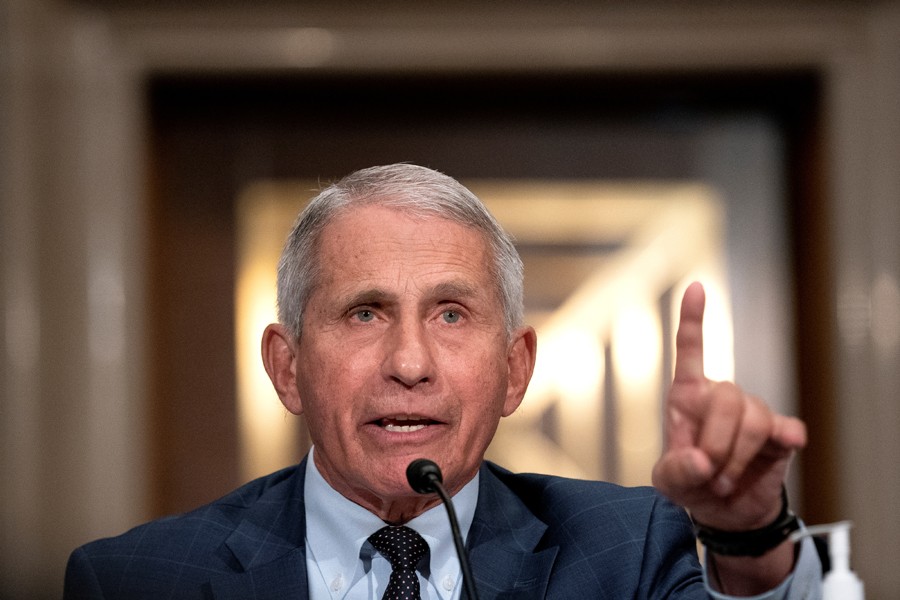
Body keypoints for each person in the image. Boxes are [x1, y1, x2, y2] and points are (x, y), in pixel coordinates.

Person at [64, 163, 822, 599]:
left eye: (452, 315)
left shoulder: (625, 553)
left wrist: (749, 533)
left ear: (515, 371)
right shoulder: (132, 582)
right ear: (286, 368)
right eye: (365, 313)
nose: (410, 362)